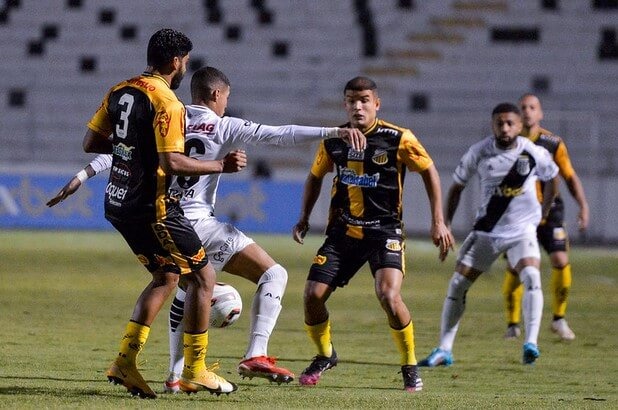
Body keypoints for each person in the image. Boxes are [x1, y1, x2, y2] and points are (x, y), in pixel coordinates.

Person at [47, 66, 366, 392]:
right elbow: (278, 134)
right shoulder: (223, 125)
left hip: (160, 220)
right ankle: (255, 353)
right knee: (274, 275)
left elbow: (123, 151)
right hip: (197, 223)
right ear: (216, 94)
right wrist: (332, 132)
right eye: (226, 97)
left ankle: (175, 376)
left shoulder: (168, 115)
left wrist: (82, 176)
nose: (226, 103)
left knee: (180, 286)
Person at [79, 29, 246, 398]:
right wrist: (221, 166)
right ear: (176, 61)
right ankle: (195, 370)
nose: (186, 67)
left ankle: (125, 360)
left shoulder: (120, 89)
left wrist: (134, 149)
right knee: (204, 278)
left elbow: (91, 142)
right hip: (152, 206)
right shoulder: (168, 102)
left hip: (118, 201)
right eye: (185, 61)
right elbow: (171, 162)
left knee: (167, 275)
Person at [291, 76, 454, 393]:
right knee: (312, 296)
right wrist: (304, 217)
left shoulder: (398, 138)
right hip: (344, 233)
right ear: (345, 104)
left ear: (376, 104)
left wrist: (439, 221)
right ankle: (325, 355)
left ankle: (409, 366)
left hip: (384, 231)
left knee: (389, 296)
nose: (358, 106)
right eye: (352, 100)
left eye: (364, 99)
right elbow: (315, 177)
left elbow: (430, 171)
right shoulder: (335, 140)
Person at [418, 103, 559, 368]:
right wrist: (445, 224)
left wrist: (544, 211)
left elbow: (553, 176)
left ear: (519, 126)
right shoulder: (479, 152)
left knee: (531, 276)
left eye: (509, 123)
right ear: (493, 124)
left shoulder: (533, 153)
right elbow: (457, 188)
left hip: (521, 231)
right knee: (458, 285)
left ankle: (531, 343)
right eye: (499, 123)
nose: (504, 128)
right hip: (487, 232)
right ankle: (444, 350)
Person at [502, 94, 589, 341]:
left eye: (533, 107)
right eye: (523, 108)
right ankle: (512, 323)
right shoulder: (509, 143)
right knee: (515, 267)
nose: (528, 111)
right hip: (519, 214)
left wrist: (583, 206)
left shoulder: (553, 143)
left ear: (540, 114)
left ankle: (559, 319)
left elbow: (570, 177)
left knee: (561, 259)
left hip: (550, 212)